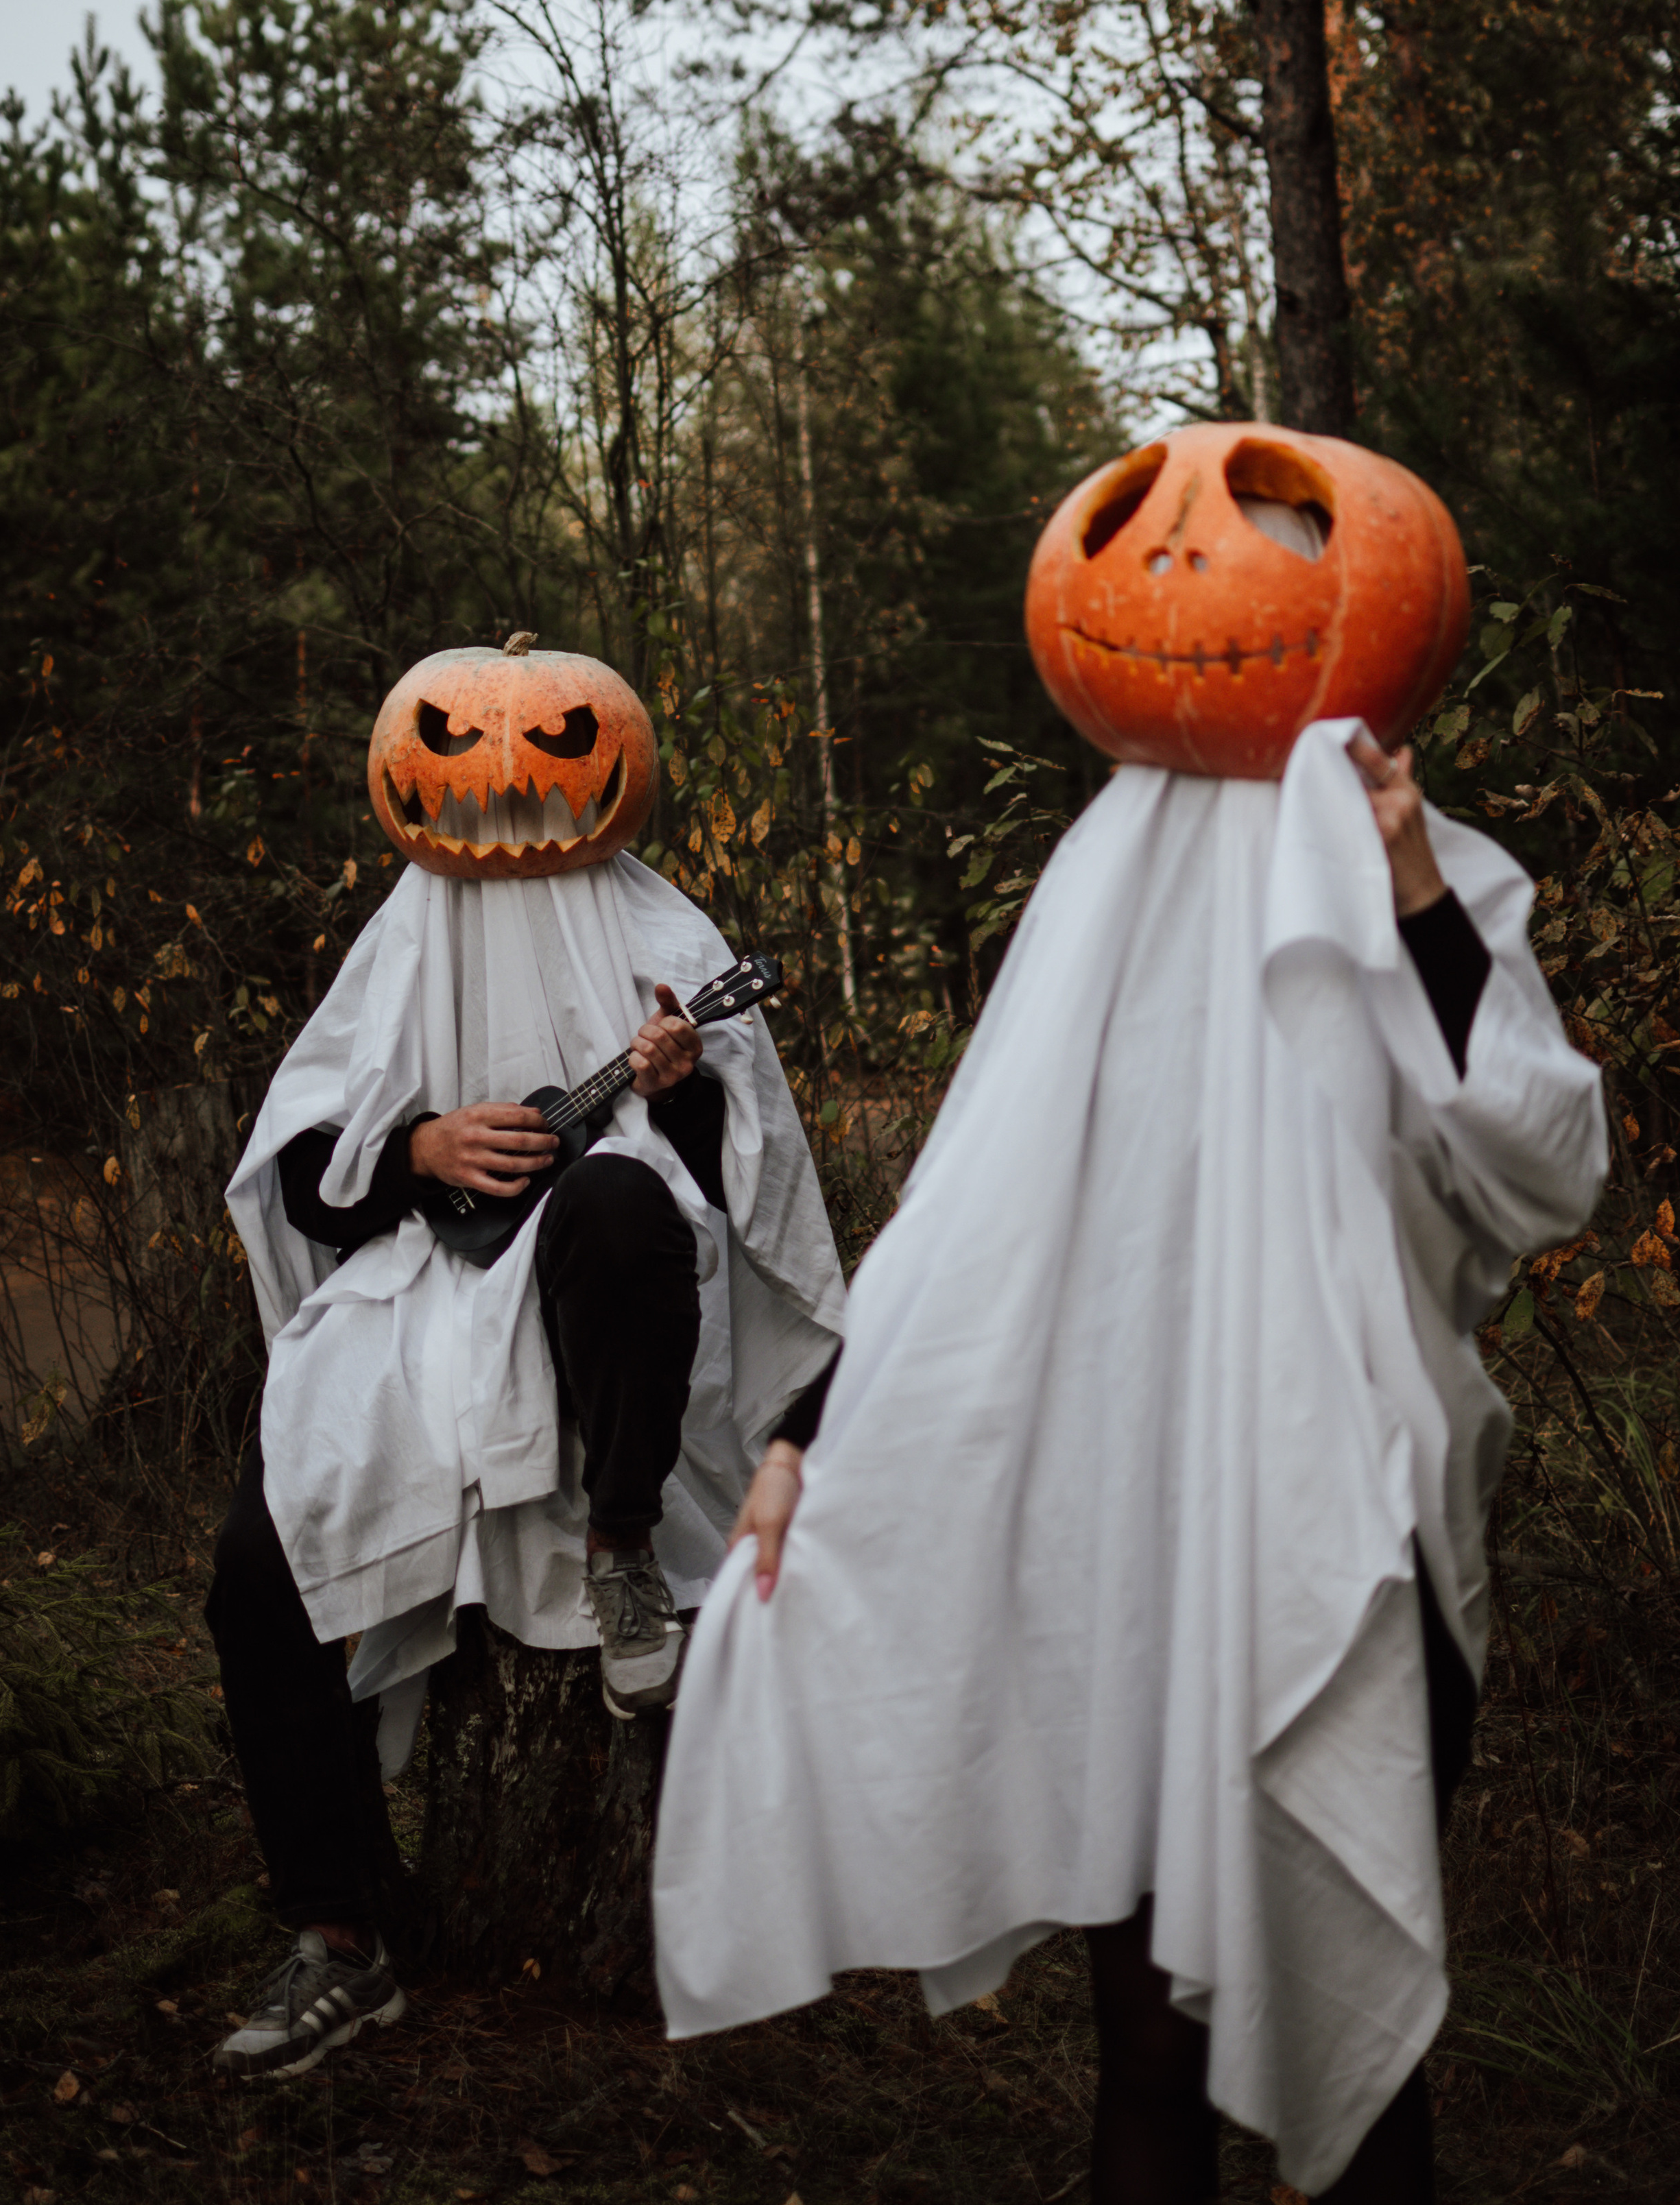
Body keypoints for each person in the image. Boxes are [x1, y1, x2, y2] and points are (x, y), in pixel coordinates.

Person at [652, 716, 1605, 2202]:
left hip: (1357, 1533)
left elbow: (1539, 1163)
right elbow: (978, 1228)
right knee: (1147, 2046)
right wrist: (801, 1439)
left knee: (1357, 2052)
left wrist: (1407, 881)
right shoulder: (1101, 891)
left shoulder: (1435, 888)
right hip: (1128, 1536)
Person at [204, 643, 843, 2082]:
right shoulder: (402, 933)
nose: (499, 777)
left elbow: (744, 1184)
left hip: (609, 1322)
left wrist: (671, 1106)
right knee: (257, 1568)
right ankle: (340, 1938)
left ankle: (620, 1543)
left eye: (543, 745)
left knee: (616, 1195)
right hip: (419, 1299)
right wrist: (418, 1148)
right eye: (457, 747)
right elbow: (303, 1171)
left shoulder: (658, 931)